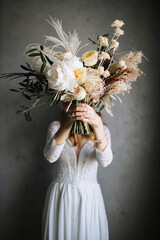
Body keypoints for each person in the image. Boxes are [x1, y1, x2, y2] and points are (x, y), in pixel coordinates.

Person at [41, 101, 113, 240]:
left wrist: (97, 125)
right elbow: (50, 156)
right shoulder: (56, 127)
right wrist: (67, 124)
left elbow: (105, 161)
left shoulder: (102, 130)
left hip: (89, 199)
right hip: (61, 197)